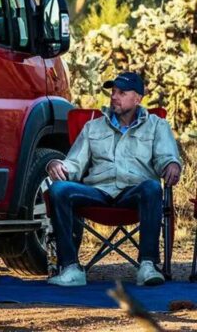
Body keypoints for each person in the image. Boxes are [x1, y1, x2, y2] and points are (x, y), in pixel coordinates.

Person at [46, 71, 183, 287]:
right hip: (97, 192)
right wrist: (56, 165)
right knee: (59, 190)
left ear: (138, 98)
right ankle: (71, 268)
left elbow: (166, 157)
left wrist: (172, 164)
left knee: (152, 188)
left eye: (122, 92)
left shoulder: (157, 126)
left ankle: (148, 265)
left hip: (134, 192)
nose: (114, 97)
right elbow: (74, 164)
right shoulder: (93, 127)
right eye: (113, 92)